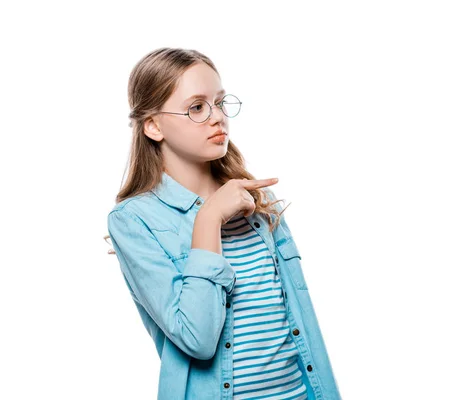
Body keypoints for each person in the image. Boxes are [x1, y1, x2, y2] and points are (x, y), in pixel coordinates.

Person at [106, 47, 341, 400]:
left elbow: (305, 329)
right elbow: (197, 339)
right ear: (153, 126)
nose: (218, 118)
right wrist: (209, 218)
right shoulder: (134, 221)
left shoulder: (260, 202)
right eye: (197, 107)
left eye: (219, 102)